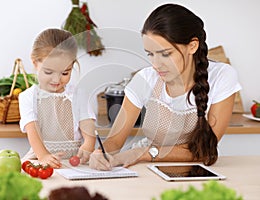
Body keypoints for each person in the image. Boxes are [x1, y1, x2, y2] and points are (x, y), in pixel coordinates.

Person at [89, 3, 241, 170]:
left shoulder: (222, 76)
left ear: (192, 46)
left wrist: (144, 152)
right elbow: (114, 141)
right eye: (150, 54)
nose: (156, 64)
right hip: (145, 169)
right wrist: (100, 154)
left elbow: (205, 150)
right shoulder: (145, 79)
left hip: (192, 171)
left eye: (165, 54)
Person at [19, 28, 96, 168]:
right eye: (48, 71)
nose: (57, 79)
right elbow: (33, 130)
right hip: (40, 157)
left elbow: (88, 129)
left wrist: (87, 147)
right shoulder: (28, 97)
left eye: (65, 73)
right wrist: (43, 156)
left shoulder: (79, 95)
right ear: (35, 63)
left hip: (75, 160)